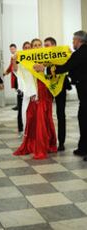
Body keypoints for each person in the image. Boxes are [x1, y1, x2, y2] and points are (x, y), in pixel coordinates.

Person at [34, 30, 87, 160]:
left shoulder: (80, 53)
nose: (72, 42)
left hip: (85, 91)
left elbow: (66, 67)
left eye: (74, 40)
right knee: (82, 118)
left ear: (79, 40)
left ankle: (84, 149)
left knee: (84, 119)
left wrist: (44, 69)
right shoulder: (80, 53)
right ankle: (83, 148)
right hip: (83, 92)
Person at [14, 38, 57, 159]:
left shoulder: (47, 58)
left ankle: (49, 144)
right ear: (32, 47)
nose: (37, 47)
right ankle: (36, 146)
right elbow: (17, 71)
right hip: (34, 93)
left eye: (39, 45)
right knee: (36, 120)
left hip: (45, 93)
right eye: (35, 45)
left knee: (46, 119)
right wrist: (14, 59)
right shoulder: (28, 60)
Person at [44, 37, 71, 151]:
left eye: (47, 45)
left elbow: (64, 66)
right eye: (44, 45)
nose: (45, 47)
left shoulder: (61, 54)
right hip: (48, 86)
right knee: (46, 115)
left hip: (61, 85)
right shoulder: (43, 55)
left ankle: (61, 142)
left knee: (60, 114)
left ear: (54, 45)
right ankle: (48, 141)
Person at [4, 43, 23, 136]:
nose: (12, 50)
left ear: (16, 48)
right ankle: (18, 104)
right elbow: (10, 66)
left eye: (13, 48)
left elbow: (14, 67)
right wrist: (7, 72)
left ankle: (18, 105)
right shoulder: (12, 57)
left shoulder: (18, 56)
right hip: (14, 77)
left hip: (18, 77)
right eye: (10, 49)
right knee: (17, 91)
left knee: (19, 91)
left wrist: (7, 71)